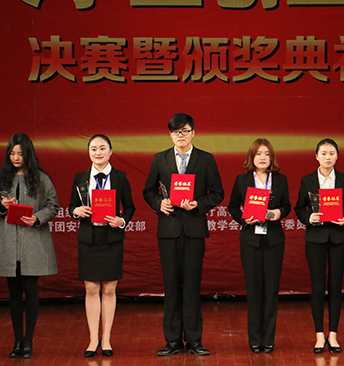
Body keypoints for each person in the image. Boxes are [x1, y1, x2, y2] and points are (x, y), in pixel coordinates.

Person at [143, 113, 224, 356]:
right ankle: (172, 341)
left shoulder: (206, 159)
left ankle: (194, 340)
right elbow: (148, 191)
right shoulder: (160, 159)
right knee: (171, 285)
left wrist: (198, 204)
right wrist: (160, 203)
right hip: (168, 230)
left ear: (193, 133)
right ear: (170, 135)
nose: (181, 135)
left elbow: (217, 193)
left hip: (194, 229)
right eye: (176, 132)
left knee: (192, 285)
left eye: (185, 131)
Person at [0, 133, 59, 359]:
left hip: (33, 242)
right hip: (9, 242)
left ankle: (28, 341)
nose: (16, 157)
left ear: (28, 154)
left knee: (31, 291)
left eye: (20, 153)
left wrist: (37, 218)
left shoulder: (41, 178)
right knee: (14, 293)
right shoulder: (2, 179)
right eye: (12, 153)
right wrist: (2, 205)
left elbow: (53, 206)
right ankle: (17, 340)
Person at [68, 134, 136, 357]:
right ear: (89, 152)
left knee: (109, 289)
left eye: (102, 148)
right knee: (91, 289)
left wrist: (121, 221)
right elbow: (71, 207)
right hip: (88, 238)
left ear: (111, 151)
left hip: (112, 238)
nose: (98, 153)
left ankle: (106, 339)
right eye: (94, 149)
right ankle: (92, 339)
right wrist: (76, 211)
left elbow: (130, 207)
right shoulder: (80, 178)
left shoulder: (120, 177)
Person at [228, 138, 290, 353]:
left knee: (271, 290)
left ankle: (268, 339)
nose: (263, 158)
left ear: (272, 158)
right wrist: (244, 219)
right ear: (251, 157)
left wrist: (278, 213)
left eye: (267, 154)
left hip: (274, 240)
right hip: (250, 241)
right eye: (258, 154)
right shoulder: (242, 180)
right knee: (254, 290)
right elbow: (233, 207)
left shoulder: (280, 180)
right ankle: (255, 339)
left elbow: (287, 205)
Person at [294, 139, 344, 353]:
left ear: (337, 156)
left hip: (339, 238)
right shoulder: (308, 180)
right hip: (315, 239)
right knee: (318, 287)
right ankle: (319, 335)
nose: (327, 157)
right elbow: (299, 207)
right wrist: (308, 218)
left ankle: (334, 335)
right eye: (323, 153)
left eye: (331, 153)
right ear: (316, 156)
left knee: (336, 287)